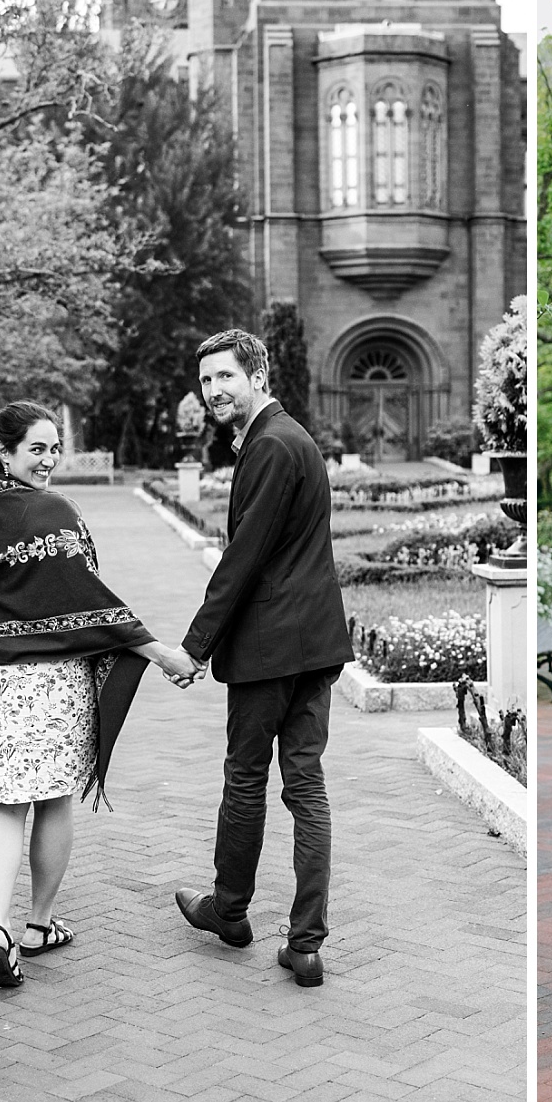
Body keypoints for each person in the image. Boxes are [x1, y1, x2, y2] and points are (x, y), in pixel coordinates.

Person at [0, 402, 198, 989]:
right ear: (4, 451)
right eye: (37, 448)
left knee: (2, 806)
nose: (50, 458)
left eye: (55, 447)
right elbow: (86, 598)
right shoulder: (54, 512)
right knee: (52, 800)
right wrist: (160, 653)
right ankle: (39, 924)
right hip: (50, 683)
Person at [171, 329, 355, 989]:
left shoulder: (273, 444)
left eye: (225, 377)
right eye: (206, 381)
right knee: (305, 783)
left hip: (272, 649)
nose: (214, 390)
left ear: (256, 374)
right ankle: (303, 945)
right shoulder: (286, 438)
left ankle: (231, 909)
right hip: (314, 645)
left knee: (248, 777)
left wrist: (193, 648)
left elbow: (242, 560)